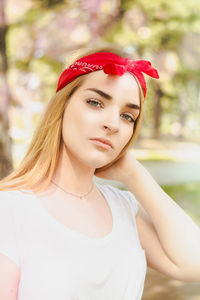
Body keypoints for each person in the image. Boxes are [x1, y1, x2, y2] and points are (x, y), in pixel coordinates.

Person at [0, 46, 200, 300]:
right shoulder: (9, 209)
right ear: (61, 107)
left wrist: (134, 174)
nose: (113, 124)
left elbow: (195, 263)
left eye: (128, 116)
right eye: (95, 102)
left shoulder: (124, 209)